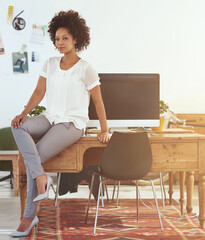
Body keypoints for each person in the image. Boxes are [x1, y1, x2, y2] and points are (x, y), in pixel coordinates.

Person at [10, 10, 110, 237]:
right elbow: (38, 92)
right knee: (19, 126)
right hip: (50, 116)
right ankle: (42, 177)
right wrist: (24, 113)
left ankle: (28, 217)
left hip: (72, 123)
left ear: (76, 38)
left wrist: (105, 130)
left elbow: (98, 100)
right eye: (56, 38)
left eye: (65, 38)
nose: (60, 43)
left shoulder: (86, 68)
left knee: (37, 157)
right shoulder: (50, 63)